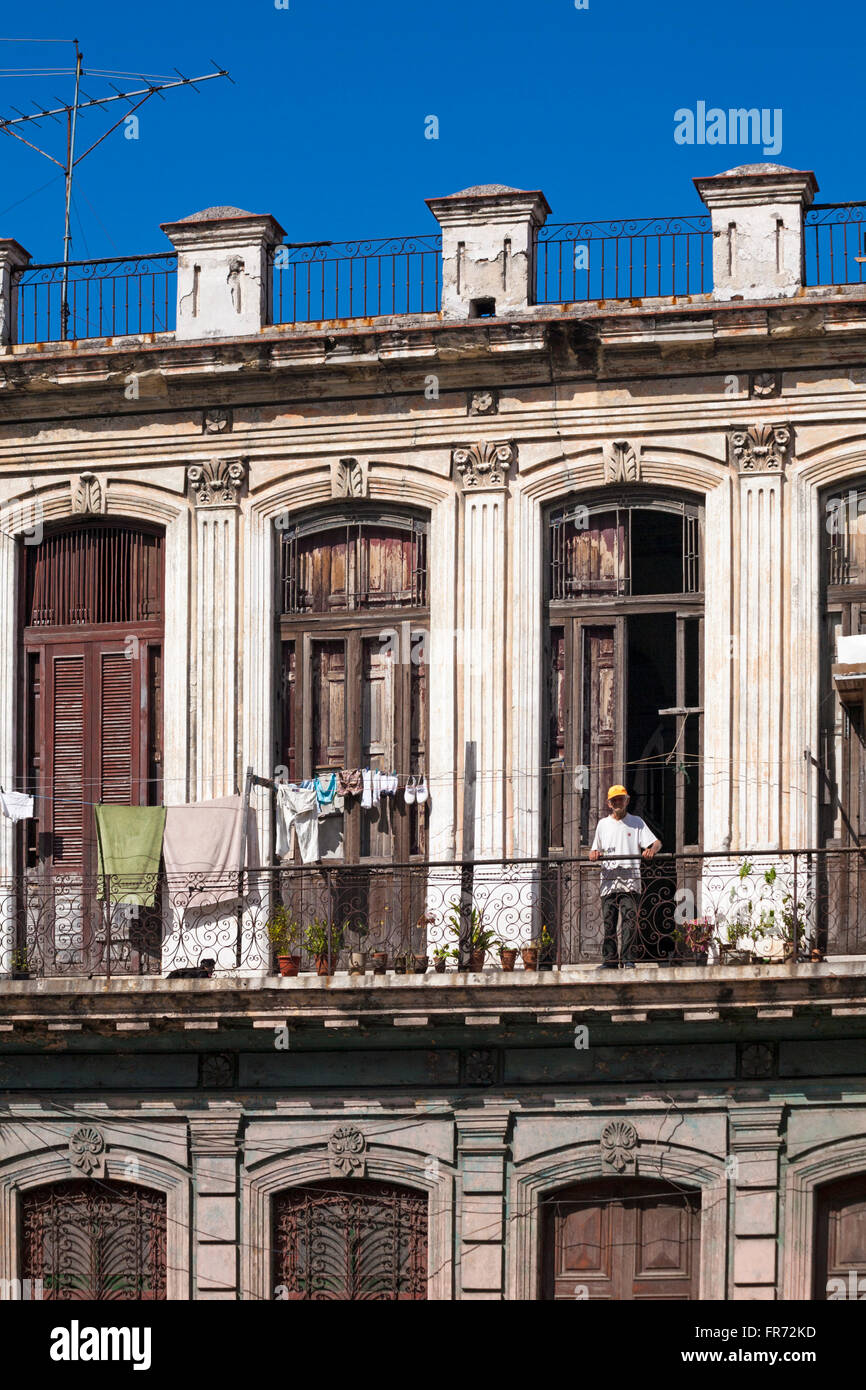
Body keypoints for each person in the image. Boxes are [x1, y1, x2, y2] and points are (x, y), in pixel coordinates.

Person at [588, 784, 661, 968]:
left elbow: (657, 843)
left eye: (621, 799)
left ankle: (628, 959)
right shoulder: (603, 824)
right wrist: (594, 854)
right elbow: (594, 850)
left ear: (626, 801)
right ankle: (610, 961)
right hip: (609, 882)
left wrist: (651, 850)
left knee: (629, 921)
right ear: (609, 804)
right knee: (609, 922)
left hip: (630, 881)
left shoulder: (636, 822)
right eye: (614, 800)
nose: (618, 802)